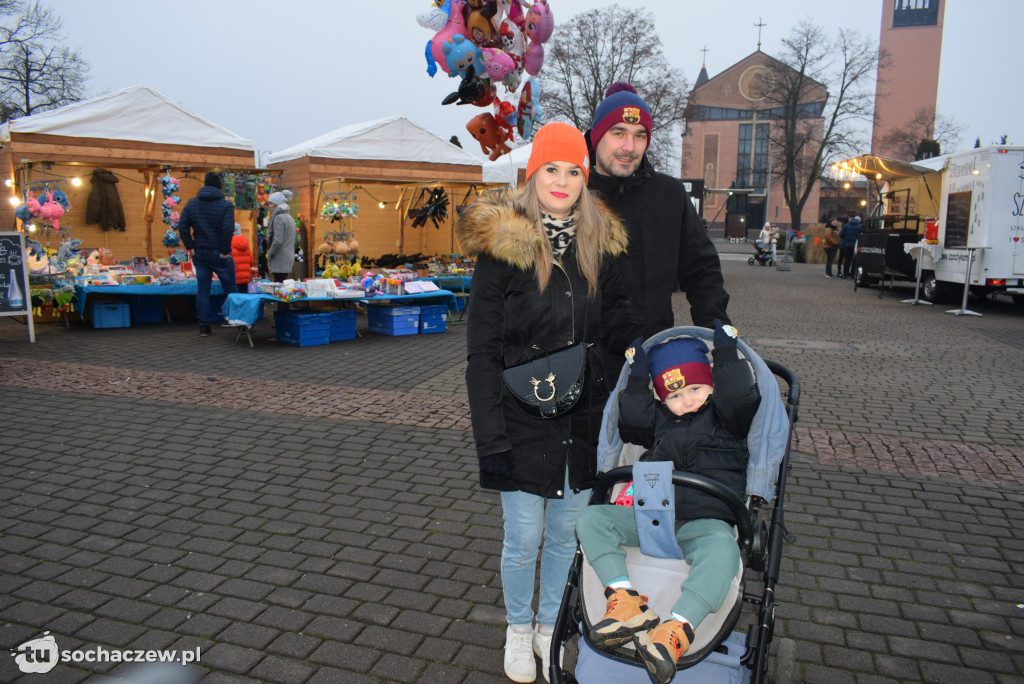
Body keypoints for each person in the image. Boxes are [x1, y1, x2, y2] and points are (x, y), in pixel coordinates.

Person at [457, 122, 639, 683]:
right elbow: (482, 354)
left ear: (586, 178)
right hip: (520, 419)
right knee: (524, 538)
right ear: (532, 174)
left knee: (566, 536)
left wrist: (636, 349)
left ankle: (550, 626)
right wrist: (490, 441)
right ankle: (518, 628)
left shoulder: (602, 246)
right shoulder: (502, 250)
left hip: (582, 421)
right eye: (551, 169)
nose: (562, 181)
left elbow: (619, 322)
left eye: (573, 171)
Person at [575, 321, 760, 684]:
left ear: (713, 385)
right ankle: (624, 600)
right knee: (592, 519)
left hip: (707, 519)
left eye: (696, 388)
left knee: (724, 552)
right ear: (662, 400)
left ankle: (677, 628)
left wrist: (725, 353)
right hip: (653, 515)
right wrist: (638, 374)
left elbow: (740, 396)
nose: (687, 400)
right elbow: (632, 419)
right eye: (675, 395)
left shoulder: (728, 418)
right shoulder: (660, 422)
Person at [585, 82, 730, 348]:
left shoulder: (669, 195)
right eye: (618, 133)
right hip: (586, 359)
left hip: (653, 352)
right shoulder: (573, 194)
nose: (629, 147)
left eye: (640, 136)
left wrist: (719, 338)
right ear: (597, 135)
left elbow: (703, 271)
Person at [177, 172, 237, 336]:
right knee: (231, 288)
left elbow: (182, 227)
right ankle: (238, 322)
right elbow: (228, 229)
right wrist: (224, 251)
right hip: (219, 253)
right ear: (220, 186)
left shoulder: (192, 204)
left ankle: (203, 326)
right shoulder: (226, 205)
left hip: (200, 253)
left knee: (203, 290)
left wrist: (190, 246)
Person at [266, 191, 296, 282]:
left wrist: (270, 254)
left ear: (277, 204)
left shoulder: (278, 218)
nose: (269, 206)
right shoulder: (289, 217)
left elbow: (278, 240)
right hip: (288, 257)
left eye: (271, 203)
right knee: (282, 283)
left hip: (280, 258)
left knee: (278, 284)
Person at [837, 215, 863, 279]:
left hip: (847, 245)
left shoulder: (846, 225)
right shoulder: (860, 226)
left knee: (847, 259)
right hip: (856, 245)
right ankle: (853, 274)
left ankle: (845, 273)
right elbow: (862, 235)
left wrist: (845, 240)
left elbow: (841, 234)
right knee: (854, 260)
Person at [231, 223, 254, 293]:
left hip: (234, 278)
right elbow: (251, 262)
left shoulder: (229, 245)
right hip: (246, 278)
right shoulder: (246, 245)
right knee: (244, 296)